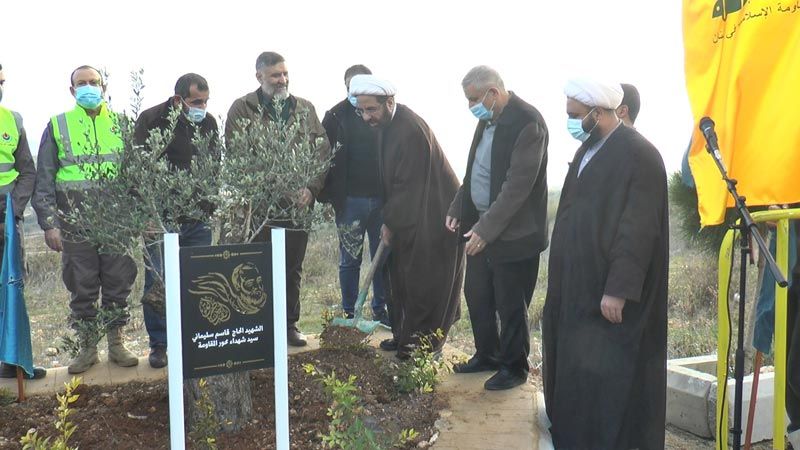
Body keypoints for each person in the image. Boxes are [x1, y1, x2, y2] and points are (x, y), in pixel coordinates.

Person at [542, 78, 668, 449]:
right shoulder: (587, 151)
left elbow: (638, 229)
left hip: (610, 298)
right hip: (579, 289)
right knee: (580, 376)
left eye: (575, 116)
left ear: (598, 114)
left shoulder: (640, 154)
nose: (570, 122)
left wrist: (618, 289)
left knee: (614, 385)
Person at [445, 66, 549, 390]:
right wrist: (458, 206)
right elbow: (475, 170)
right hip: (482, 223)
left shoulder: (528, 122)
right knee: (477, 292)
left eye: (474, 99)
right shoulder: (486, 119)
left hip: (515, 233)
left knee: (510, 301)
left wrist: (484, 230)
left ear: (493, 93)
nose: (471, 106)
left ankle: (514, 367)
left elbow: (516, 187)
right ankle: (486, 354)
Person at [32, 65, 139, 374]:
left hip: (117, 224)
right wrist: (49, 223)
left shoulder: (122, 124)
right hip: (74, 225)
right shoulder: (57, 125)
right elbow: (44, 179)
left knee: (119, 284)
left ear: (104, 86)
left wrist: (136, 217)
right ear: (72, 90)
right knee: (82, 286)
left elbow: (136, 177)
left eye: (94, 82)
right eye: (82, 83)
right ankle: (88, 348)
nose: (89, 87)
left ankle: (116, 345)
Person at [349, 74, 464, 359]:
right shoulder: (387, 126)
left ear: (389, 102)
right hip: (410, 214)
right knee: (400, 278)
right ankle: (403, 337)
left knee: (423, 281)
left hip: (434, 218)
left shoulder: (410, 130)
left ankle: (422, 348)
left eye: (371, 109)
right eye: (361, 110)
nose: (366, 116)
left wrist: (390, 222)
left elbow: (409, 186)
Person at [225, 52, 330, 347]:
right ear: (259, 77)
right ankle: (258, 329)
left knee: (291, 269)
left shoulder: (305, 108)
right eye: (275, 75)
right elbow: (237, 155)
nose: (282, 80)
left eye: (284, 74)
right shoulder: (242, 109)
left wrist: (311, 189)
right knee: (256, 269)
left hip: (299, 209)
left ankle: (288, 326)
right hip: (260, 210)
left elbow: (322, 151)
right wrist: (275, 188)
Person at [134, 73, 219, 368]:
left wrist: (210, 207)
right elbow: (137, 169)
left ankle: (195, 339)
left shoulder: (208, 123)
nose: (202, 106)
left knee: (200, 280)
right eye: (197, 101)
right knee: (157, 281)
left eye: (206, 101)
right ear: (179, 99)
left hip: (197, 218)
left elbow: (214, 165)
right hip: (161, 218)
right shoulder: (151, 119)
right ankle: (159, 344)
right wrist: (146, 214)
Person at [319, 64, 389, 326]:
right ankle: (350, 312)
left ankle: (380, 311)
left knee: (382, 257)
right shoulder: (335, 116)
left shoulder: (381, 114)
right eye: (353, 88)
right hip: (349, 202)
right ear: (346, 87)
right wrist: (326, 198)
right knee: (350, 260)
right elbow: (322, 159)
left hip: (381, 200)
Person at [0, 63, 45, 380]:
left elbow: (27, 170)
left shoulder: (12, 120)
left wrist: (13, 212)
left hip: (7, 221)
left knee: (11, 289)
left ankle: (11, 362)